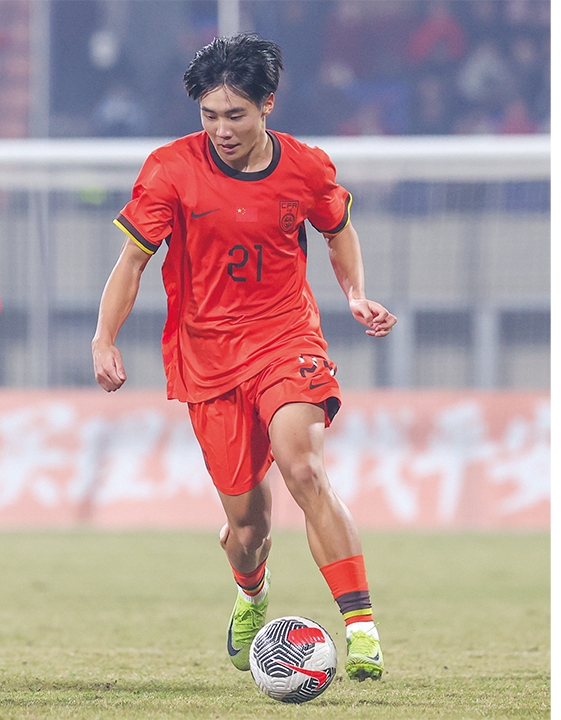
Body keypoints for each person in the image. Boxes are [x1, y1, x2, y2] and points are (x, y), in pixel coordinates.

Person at [91, 34, 395, 682]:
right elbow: (132, 262)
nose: (221, 130)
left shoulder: (307, 168)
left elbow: (338, 232)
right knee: (247, 526)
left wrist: (356, 294)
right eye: (209, 115)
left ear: (267, 106)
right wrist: (103, 338)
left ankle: (362, 628)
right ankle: (252, 591)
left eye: (235, 115)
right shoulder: (170, 169)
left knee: (303, 467)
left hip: (287, 339)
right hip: (207, 360)